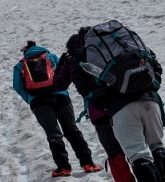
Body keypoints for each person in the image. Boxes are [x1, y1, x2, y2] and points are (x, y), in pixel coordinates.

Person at [69, 24, 165, 182]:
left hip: (121, 108)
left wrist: (102, 101)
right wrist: (151, 88)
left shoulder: (85, 53)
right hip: (150, 101)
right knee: (157, 148)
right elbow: (155, 65)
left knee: (139, 156)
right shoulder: (127, 43)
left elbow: (81, 83)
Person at [14, 40, 101, 178]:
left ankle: (63, 167)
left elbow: (18, 86)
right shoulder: (51, 57)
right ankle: (88, 163)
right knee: (72, 130)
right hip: (60, 96)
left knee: (53, 133)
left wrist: (31, 99)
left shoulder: (20, 65)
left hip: (38, 101)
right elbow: (63, 73)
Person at [54, 33, 133, 182]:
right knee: (138, 150)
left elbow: (59, 85)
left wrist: (63, 63)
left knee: (115, 153)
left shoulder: (76, 58)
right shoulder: (107, 49)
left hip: (101, 111)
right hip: (125, 105)